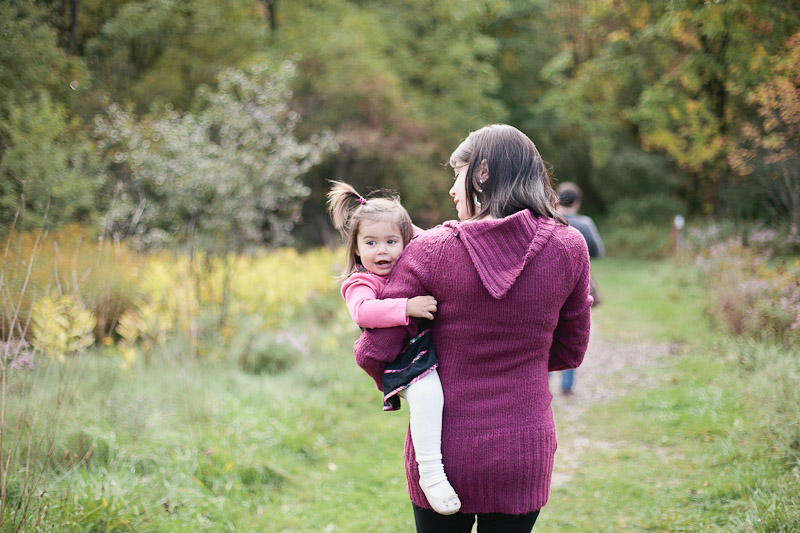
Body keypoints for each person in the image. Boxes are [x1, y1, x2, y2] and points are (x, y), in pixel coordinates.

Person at [352, 124, 593, 532]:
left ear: (481, 173)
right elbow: (570, 351)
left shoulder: (430, 250)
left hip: (443, 455)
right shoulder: (569, 247)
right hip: (523, 447)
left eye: (457, 172)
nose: (451, 189)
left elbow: (376, 351)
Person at [327, 181, 462, 515]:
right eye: (370, 243)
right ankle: (430, 473)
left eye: (391, 241)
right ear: (356, 248)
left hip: (420, 349)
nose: (382, 251)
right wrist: (406, 307)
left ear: (405, 240)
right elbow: (363, 311)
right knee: (428, 395)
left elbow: (429, 240)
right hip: (400, 362)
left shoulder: (407, 259)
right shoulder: (361, 281)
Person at [554, 181, 605, 396]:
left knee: (547, 330)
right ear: (577, 203)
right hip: (578, 283)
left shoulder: (546, 219)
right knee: (572, 330)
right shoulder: (584, 223)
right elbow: (598, 251)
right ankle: (567, 385)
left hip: (549, 282)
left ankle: (544, 379)